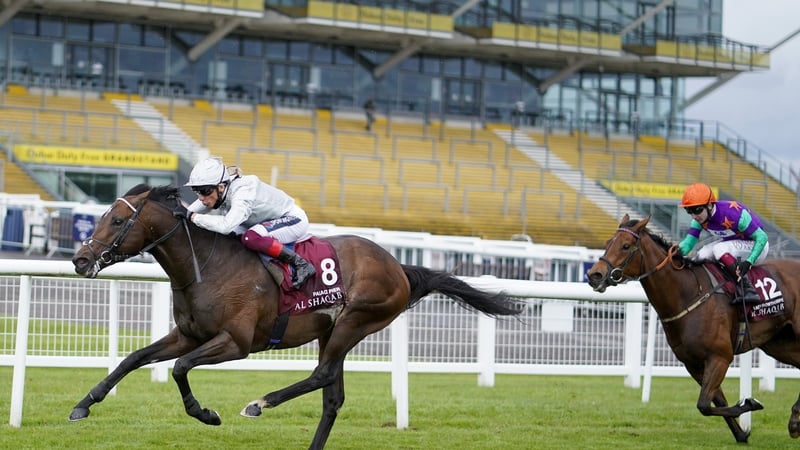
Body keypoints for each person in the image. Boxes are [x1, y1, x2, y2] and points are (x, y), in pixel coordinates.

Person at [174, 157, 315, 288]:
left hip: (293, 219)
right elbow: (189, 211)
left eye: (204, 191)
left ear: (221, 187)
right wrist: (182, 212)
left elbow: (225, 225)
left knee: (251, 237)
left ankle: (301, 264)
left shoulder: (243, 192)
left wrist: (193, 217)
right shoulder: (219, 189)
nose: (201, 198)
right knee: (228, 236)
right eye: (196, 191)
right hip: (265, 221)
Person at [678, 182, 769, 305]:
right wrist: (672, 253)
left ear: (709, 205)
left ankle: (748, 289)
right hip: (735, 245)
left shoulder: (734, 214)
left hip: (757, 247)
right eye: (689, 211)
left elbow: (762, 237)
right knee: (702, 254)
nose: (694, 216)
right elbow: (688, 244)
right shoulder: (698, 220)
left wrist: (749, 262)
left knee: (719, 248)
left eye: (697, 210)